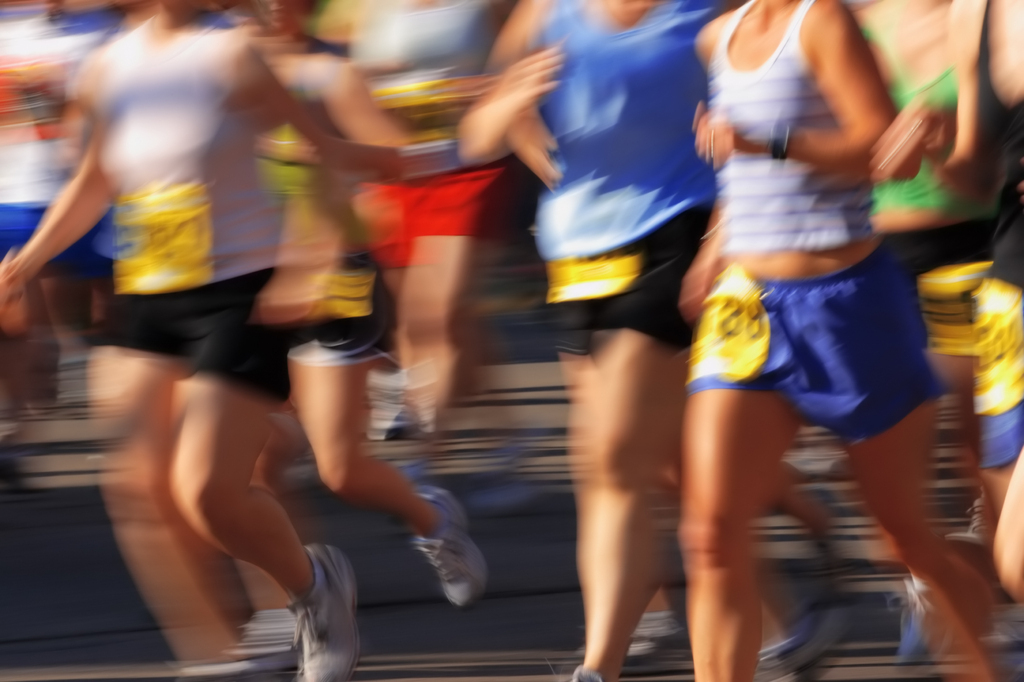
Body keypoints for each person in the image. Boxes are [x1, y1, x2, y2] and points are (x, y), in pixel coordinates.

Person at [0, 0, 401, 680]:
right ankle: (220, 653)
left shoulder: (234, 54)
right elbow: (98, 178)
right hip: (148, 292)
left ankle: (313, 586)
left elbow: (322, 158)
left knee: (208, 490)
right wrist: (27, 263)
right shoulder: (108, 63)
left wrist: (311, 261)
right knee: (135, 487)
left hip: (240, 295)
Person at [678, 0, 998, 679]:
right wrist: (713, 246)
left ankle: (984, 668)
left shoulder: (822, 20)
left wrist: (772, 142)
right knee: (709, 537)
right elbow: (736, 164)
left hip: (846, 302)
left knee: (905, 539)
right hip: (746, 305)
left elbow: (879, 150)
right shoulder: (717, 36)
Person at [460, 0, 717, 679]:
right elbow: (477, 132)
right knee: (640, 468)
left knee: (615, 458)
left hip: (676, 234)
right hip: (576, 253)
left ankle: (598, 665)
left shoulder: (706, 10)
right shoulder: (546, 11)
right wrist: (516, 108)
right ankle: (785, 602)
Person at [254, 0, 487, 610]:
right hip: (239, 285)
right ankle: (299, 608)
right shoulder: (217, 77)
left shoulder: (332, 78)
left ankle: (431, 519)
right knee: (252, 469)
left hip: (331, 284)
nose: (269, 8)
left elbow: (405, 161)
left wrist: (326, 147)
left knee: (339, 469)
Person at [873, 0, 1024, 633]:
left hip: (973, 277)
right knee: (1011, 557)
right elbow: (977, 178)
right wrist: (935, 149)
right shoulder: (978, 12)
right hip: (1010, 296)